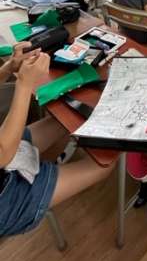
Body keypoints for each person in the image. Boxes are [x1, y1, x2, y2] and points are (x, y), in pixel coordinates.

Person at [0, 42, 113, 237]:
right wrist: (25, 84)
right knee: (104, 165)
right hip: (7, 199)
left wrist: (9, 67)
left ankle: (47, 167)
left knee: (64, 121)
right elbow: (3, 154)